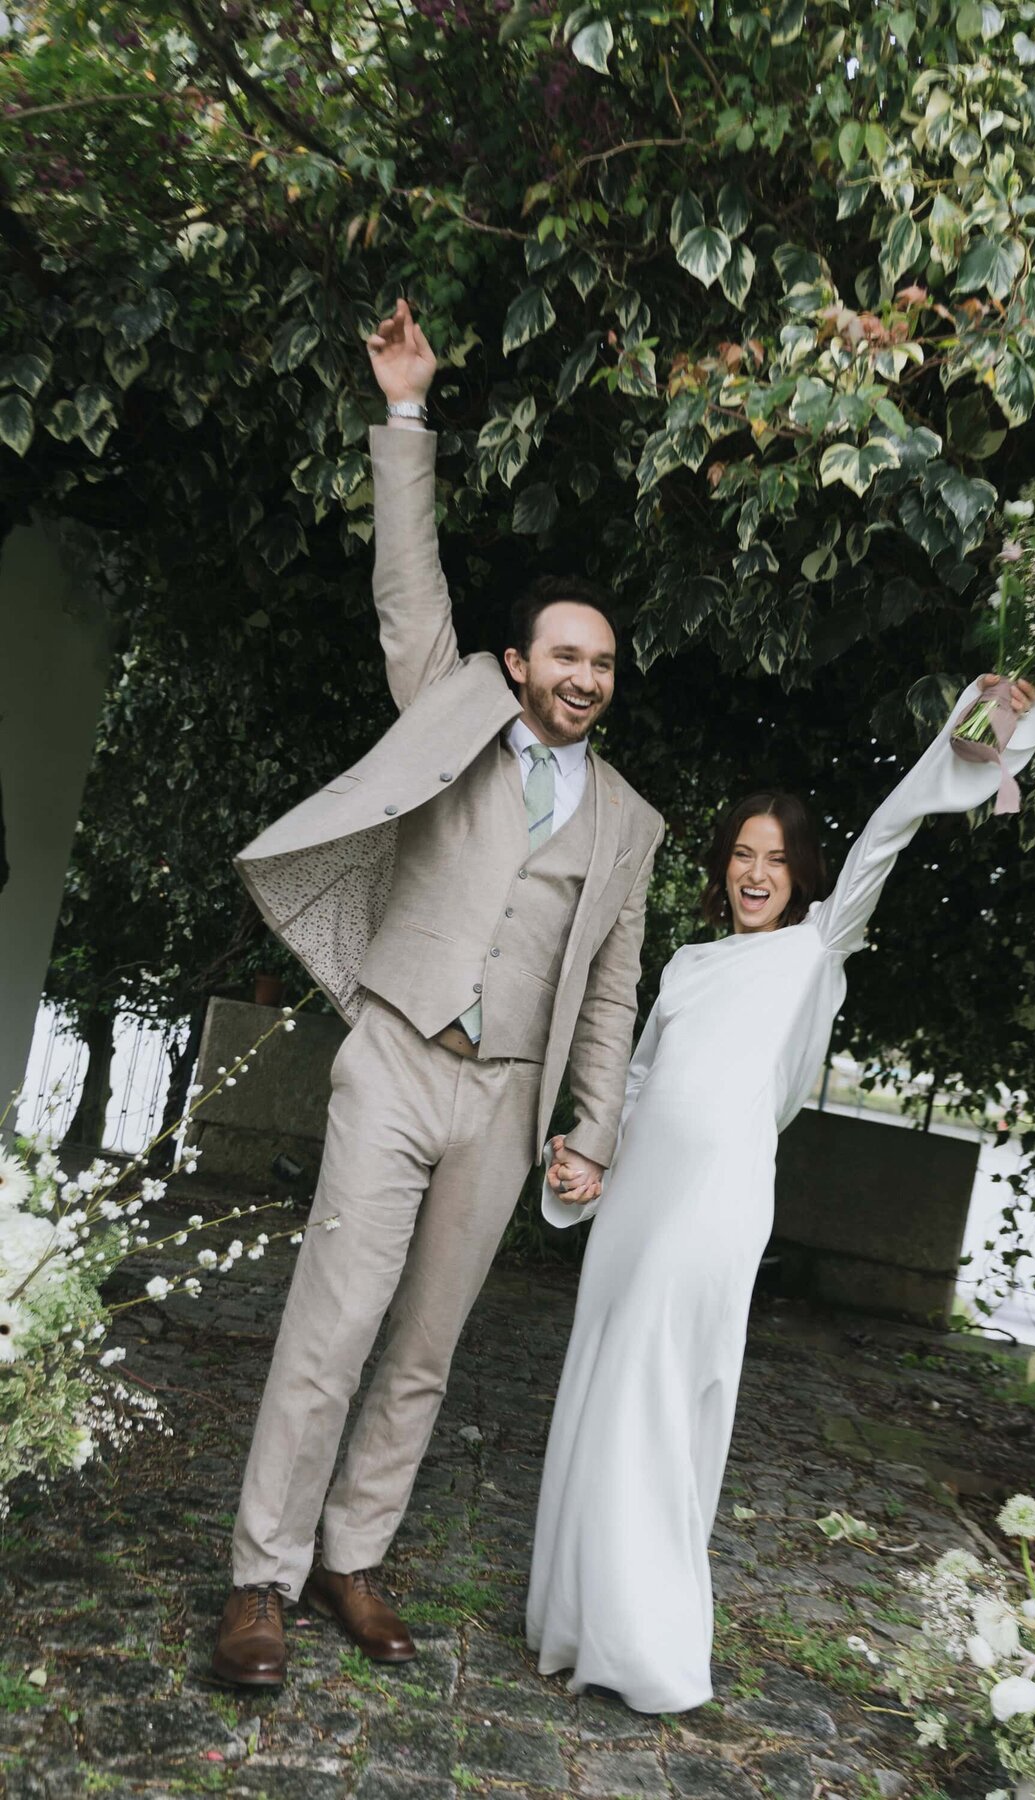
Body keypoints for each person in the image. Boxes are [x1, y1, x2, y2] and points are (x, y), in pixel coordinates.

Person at [211, 304, 663, 1686]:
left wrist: (592, 1126)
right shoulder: (454, 713)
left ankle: (352, 1559)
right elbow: (410, 593)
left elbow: (610, 994)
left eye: (602, 661)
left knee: (424, 1348)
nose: (584, 676)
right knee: (333, 1322)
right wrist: (405, 414)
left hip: (508, 1101)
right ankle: (260, 1580)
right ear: (521, 664)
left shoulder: (632, 825)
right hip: (401, 1055)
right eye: (564, 654)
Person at [527, 674, 1035, 1715]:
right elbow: (636, 1083)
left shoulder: (819, 949)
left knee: (661, 1396)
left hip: (716, 1203)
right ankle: (576, 1621)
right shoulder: (687, 963)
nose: (756, 872)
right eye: (741, 854)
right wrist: (588, 1159)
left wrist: (974, 732)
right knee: (604, 1381)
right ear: (723, 867)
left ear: (803, 873)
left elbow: (887, 835)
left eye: (775, 858)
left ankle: (646, 1645)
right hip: (636, 1205)